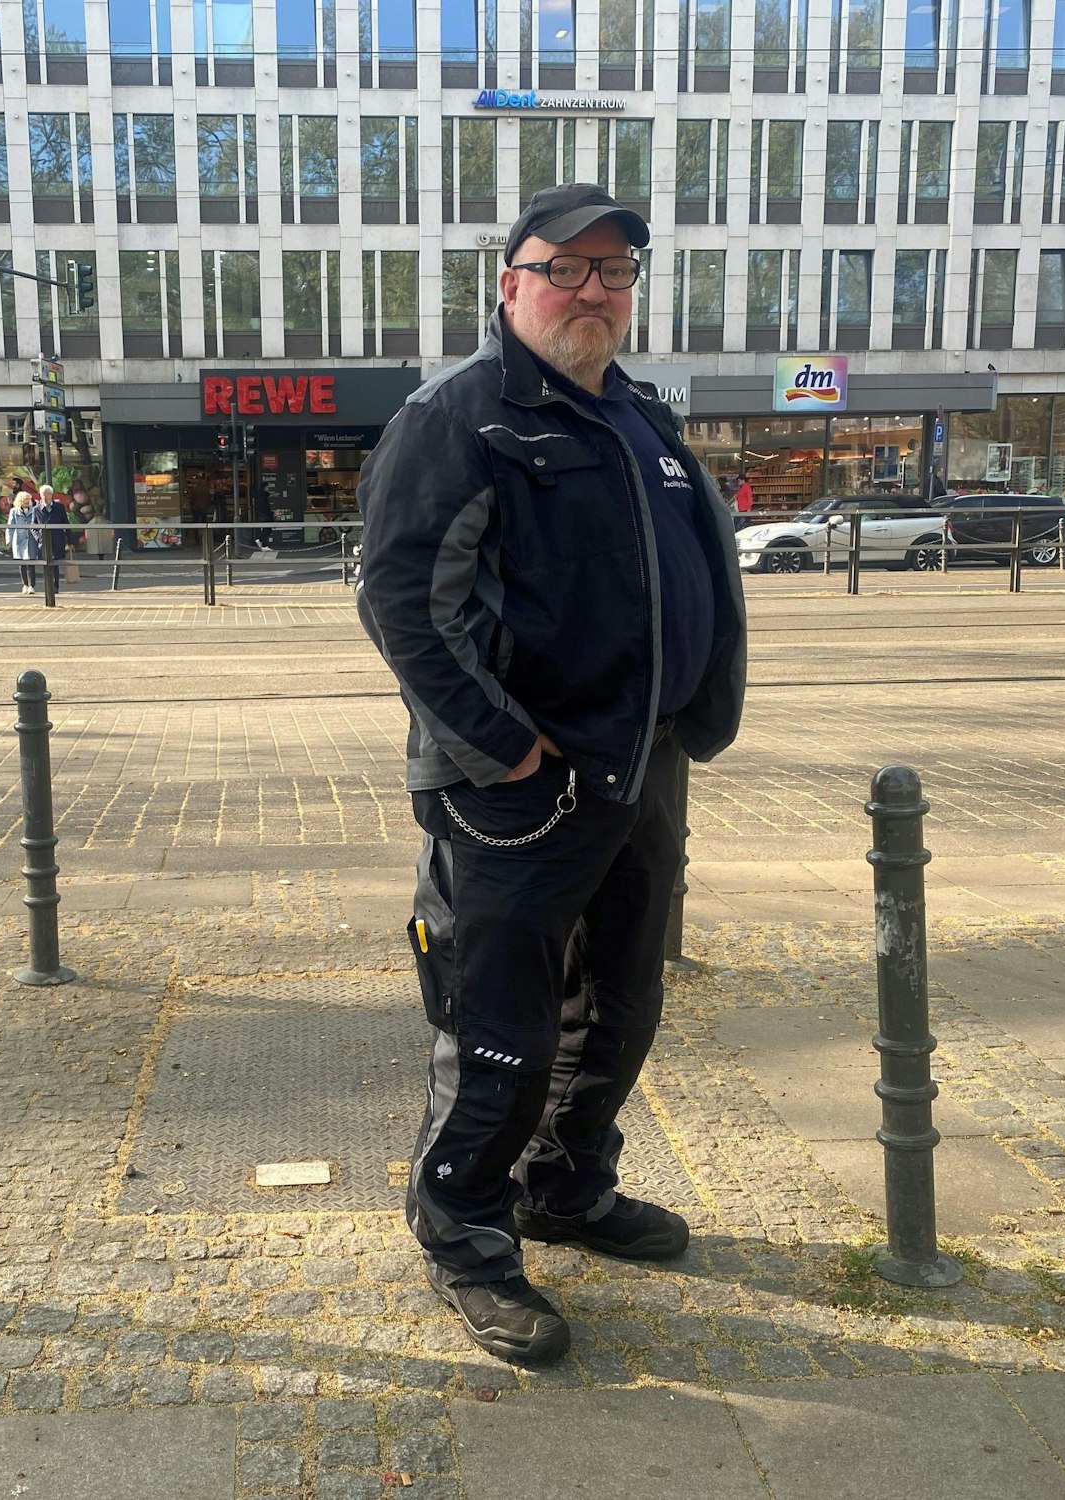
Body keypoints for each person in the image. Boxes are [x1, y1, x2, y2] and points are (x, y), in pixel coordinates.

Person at [355, 183, 747, 1365]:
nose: (593, 290)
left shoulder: (636, 416)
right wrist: (507, 750)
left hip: (643, 772)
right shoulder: (460, 416)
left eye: (614, 271)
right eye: (566, 267)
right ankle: (465, 1228)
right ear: (508, 278)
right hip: (516, 795)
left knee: (621, 1008)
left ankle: (565, 1187)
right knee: (499, 1030)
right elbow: (402, 606)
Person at [9, 483, 41, 592]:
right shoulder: (14, 511)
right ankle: (25, 585)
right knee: (22, 563)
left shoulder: (34, 510)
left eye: (29, 499)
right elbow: (10, 526)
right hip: (19, 539)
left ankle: (32, 585)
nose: (27, 501)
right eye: (25, 499)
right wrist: (9, 540)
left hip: (31, 539)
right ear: (20, 501)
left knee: (31, 563)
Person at [39, 483, 69, 595]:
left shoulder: (59, 507)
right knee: (46, 564)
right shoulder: (37, 508)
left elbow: (66, 523)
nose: (44, 496)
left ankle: (55, 585)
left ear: (51, 495)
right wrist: (38, 536)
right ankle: (49, 585)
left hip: (57, 540)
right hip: (43, 541)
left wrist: (70, 541)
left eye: (46, 494)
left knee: (55, 563)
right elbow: (33, 525)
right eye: (42, 494)